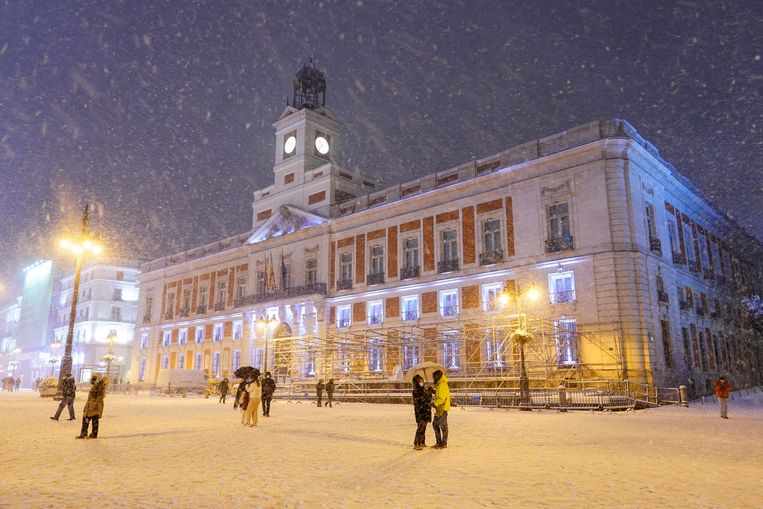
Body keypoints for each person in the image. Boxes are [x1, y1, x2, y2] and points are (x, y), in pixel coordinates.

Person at [76, 374, 106, 439]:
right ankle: (85, 434)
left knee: (93, 420)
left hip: (94, 406)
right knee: (87, 419)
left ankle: (92, 434)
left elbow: (99, 397)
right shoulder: (96, 386)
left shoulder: (99, 387)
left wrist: (95, 405)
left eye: (92, 380)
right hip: (90, 406)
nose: (91, 381)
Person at [411, 374, 432, 450]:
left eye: (422, 381)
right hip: (420, 411)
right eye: (420, 381)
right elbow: (421, 400)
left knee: (424, 427)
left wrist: (429, 391)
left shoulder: (423, 390)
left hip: (425, 410)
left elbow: (428, 398)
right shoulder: (416, 391)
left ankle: (422, 442)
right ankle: (417, 443)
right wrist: (426, 393)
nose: (422, 382)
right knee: (420, 427)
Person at [431, 370, 451, 449]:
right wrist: (433, 391)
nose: (433, 379)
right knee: (435, 425)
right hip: (440, 408)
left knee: (443, 426)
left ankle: (443, 443)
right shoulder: (440, 384)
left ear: (437, 377)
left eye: (434, 377)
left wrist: (434, 404)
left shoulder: (442, 384)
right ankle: (439, 442)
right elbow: (440, 394)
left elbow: (442, 398)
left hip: (442, 408)